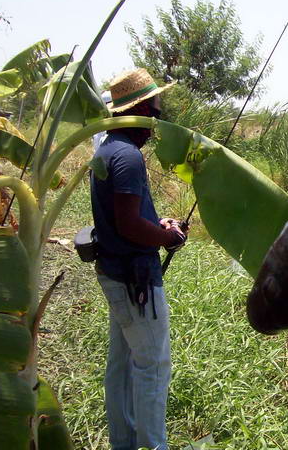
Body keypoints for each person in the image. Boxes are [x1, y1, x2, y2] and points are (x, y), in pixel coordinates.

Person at [91, 68, 187, 450]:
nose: (155, 123)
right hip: (135, 283)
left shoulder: (107, 150)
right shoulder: (128, 157)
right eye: (155, 114)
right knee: (152, 368)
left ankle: (124, 442)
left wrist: (159, 222)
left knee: (121, 367)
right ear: (141, 110)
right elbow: (130, 226)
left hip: (115, 274)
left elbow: (126, 215)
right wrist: (166, 237)